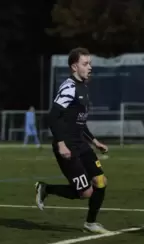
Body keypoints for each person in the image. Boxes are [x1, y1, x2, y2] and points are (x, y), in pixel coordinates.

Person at [35, 47, 110, 234]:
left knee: (100, 181)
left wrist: (95, 141)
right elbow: (52, 117)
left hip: (81, 144)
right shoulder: (69, 88)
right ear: (74, 67)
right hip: (67, 145)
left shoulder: (83, 87)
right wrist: (60, 144)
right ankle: (46, 189)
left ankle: (90, 223)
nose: (90, 67)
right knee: (85, 192)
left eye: (90, 63)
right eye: (86, 64)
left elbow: (80, 122)